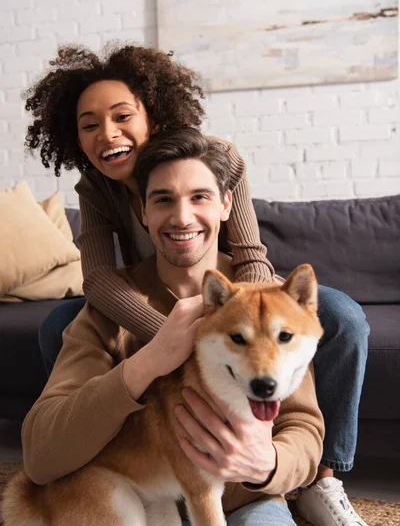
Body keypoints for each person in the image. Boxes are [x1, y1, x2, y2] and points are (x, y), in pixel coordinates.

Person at [25, 42, 370, 526]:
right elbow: (99, 279)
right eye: (89, 125)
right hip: (143, 298)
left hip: (235, 288)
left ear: (153, 114)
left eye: (123, 116)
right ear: (144, 211)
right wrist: (169, 343)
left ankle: (325, 481)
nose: (108, 134)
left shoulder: (216, 155)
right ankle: (99, 448)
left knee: (342, 317)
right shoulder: (95, 188)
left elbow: (251, 256)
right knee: (64, 322)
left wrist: (237, 314)